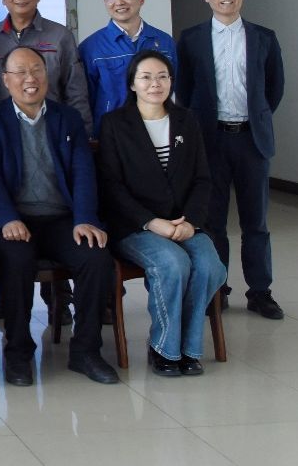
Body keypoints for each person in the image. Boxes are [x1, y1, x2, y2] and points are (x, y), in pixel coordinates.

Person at [0, 46, 118, 386]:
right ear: (6, 79)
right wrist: (7, 218)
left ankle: (86, 351)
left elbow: (83, 171)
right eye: (21, 72)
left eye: (37, 70)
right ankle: (18, 353)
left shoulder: (66, 117)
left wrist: (85, 218)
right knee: (16, 260)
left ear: (47, 75)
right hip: (14, 219)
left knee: (95, 257)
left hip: (60, 218)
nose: (30, 78)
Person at [97, 50, 226, 376]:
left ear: (171, 81)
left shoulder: (187, 120)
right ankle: (165, 349)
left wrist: (191, 222)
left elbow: (202, 178)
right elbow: (111, 187)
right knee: (172, 263)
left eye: (162, 77)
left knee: (210, 266)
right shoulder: (115, 124)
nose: (155, 84)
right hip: (135, 226)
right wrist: (151, 222)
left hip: (184, 222)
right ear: (132, 84)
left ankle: (189, 349)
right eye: (146, 77)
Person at [176, 0, 285, 319]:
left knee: (256, 222)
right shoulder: (191, 39)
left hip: (252, 140)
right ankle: (217, 289)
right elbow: (185, 90)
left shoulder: (264, 37)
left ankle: (260, 292)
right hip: (211, 140)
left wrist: (256, 119)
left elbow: (273, 89)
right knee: (213, 221)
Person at [0, 0, 92, 132]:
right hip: (4, 130)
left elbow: (75, 90)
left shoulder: (60, 35)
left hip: (53, 127)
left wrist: (83, 132)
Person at [79, 0, 178, 137]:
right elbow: (86, 98)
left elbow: (172, 85)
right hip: (111, 133)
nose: (119, 2)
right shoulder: (91, 47)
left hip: (158, 129)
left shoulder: (164, 41)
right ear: (104, 1)